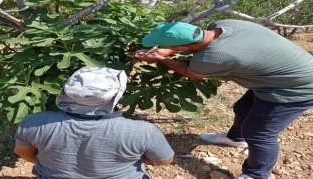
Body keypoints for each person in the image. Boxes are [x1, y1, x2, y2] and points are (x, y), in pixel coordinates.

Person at [133, 20, 313, 179]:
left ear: (183, 48)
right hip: (286, 72)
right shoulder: (225, 24)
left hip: (297, 88)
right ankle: (235, 138)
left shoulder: (214, 57)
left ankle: (255, 174)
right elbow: (193, 48)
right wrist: (167, 50)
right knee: (242, 108)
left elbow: (189, 72)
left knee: (259, 133)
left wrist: (159, 57)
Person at [14, 66, 174, 179]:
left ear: (67, 93)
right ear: (119, 98)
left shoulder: (35, 122)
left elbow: (24, 152)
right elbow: (164, 160)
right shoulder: (142, 131)